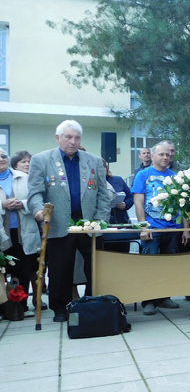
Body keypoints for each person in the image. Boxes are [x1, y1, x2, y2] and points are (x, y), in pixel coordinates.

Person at [27, 120, 115, 322]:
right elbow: (35, 192)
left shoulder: (92, 160)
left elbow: (103, 192)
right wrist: (39, 211)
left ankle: (95, 302)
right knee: (60, 268)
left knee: (95, 266)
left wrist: (101, 220)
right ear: (58, 138)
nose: (73, 142)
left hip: (89, 224)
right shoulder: (41, 160)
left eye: (77, 138)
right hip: (59, 224)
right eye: (68, 137)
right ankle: (61, 308)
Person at [132, 141, 190, 315]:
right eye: (161, 154)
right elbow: (138, 202)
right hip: (152, 228)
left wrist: (185, 229)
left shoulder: (176, 177)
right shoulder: (143, 175)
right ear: (152, 156)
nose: (165, 157)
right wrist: (143, 227)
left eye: (168, 154)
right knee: (150, 265)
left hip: (172, 228)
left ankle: (164, 297)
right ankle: (148, 301)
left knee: (168, 266)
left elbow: (184, 206)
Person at [0, 149, 43, 311]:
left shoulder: (25, 178)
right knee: (3, 273)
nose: (1, 159)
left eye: (4, 156)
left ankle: (20, 306)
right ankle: (4, 306)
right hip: (1, 234)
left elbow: (37, 200)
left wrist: (23, 204)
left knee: (23, 269)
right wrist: (2, 205)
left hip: (22, 232)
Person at [101, 159, 135, 253]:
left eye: (103, 166)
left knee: (122, 252)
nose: (101, 169)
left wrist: (125, 204)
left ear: (106, 168)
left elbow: (131, 197)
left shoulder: (117, 180)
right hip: (102, 223)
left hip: (120, 220)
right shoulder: (91, 182)